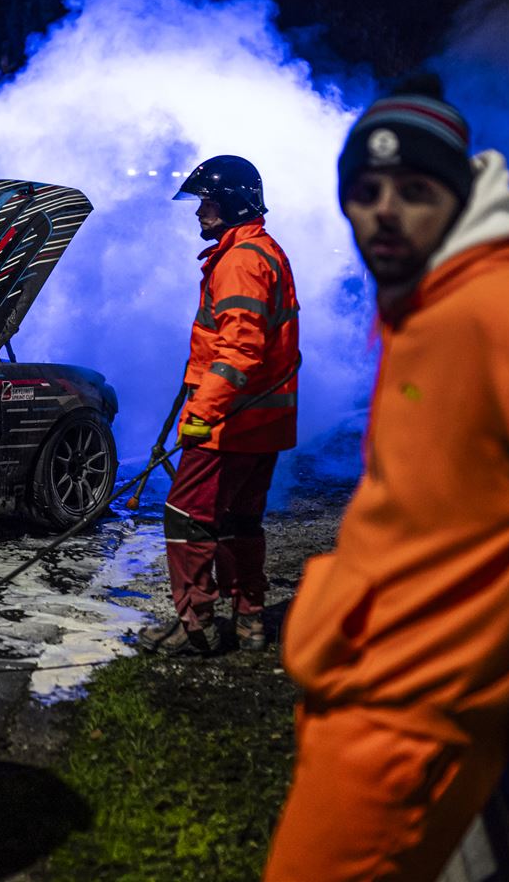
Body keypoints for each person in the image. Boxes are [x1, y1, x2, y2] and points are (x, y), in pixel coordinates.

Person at [263, 76, 509, 880]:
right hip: (371, 697)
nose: (383, 212)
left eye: (414, 190)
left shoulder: (504, 312)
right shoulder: (428, 300)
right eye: (365, 192)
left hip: (411, 726)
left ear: (458, 196)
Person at [138, 154, 299, 657]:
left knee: (187, 516)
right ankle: (250, 621)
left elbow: (239, 351)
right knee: (239, 520)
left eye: (206, 201)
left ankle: (196, 627)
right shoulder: (263, 251)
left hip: (229, 423)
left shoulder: (240, 261)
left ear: (230, 203)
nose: (198, 211)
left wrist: (202, 412)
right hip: (263, 421)